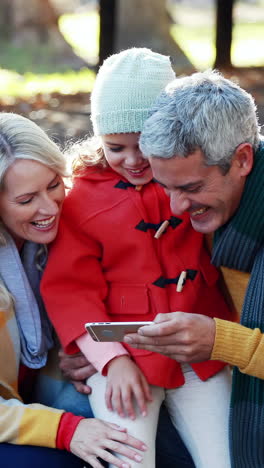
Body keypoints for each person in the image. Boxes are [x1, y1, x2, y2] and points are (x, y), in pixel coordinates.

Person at [41, 48, 235, 468]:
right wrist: (111, 363)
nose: (132, 160)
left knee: (227, 456)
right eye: (115, 147)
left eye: (144, 144)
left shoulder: (189, 178)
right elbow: (71, 291)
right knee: (128, 459)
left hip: (196, 353)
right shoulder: (81, 201)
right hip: (122, 354)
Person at [124, 69, 264, 468]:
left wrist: (221, 342)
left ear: (241, 159)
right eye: (164, 187)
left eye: (190, 188)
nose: (176, 208)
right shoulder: (203, 214)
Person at [0, 112, 147, 468]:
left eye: (53, 185)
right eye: (26, 200)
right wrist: (67, 431)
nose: (50, 208)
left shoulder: (67, 236)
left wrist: (86, 350)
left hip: (44, 396)